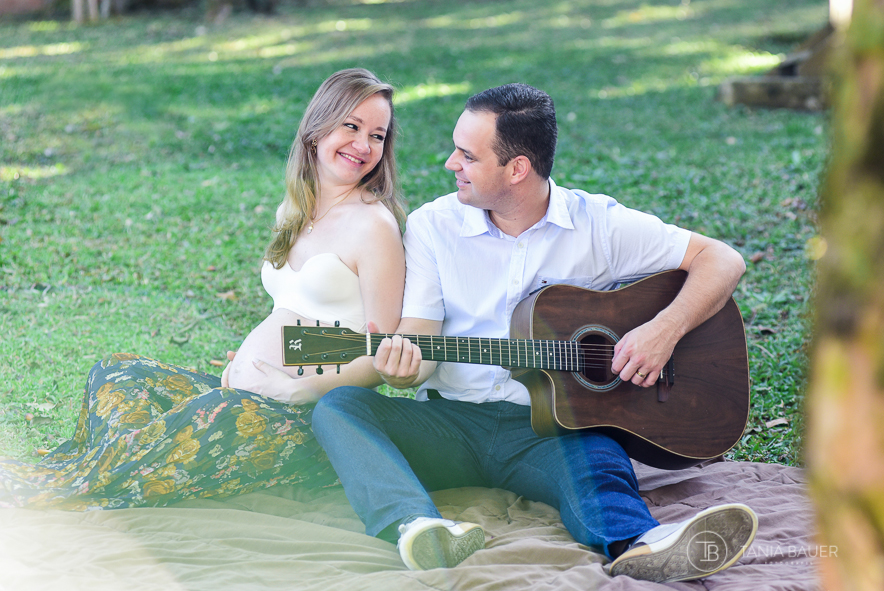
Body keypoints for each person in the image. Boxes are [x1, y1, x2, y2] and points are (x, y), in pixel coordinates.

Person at [310, 83, 759, 583]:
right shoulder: (434, 226)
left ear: (517, 169)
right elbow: (420, 333)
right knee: (342, 407)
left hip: (551, 430)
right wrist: (405, 365)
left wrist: (663, 330)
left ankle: (643, 544)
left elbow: (722, 259)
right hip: (451, 425)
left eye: (467, 155)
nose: (449, 164)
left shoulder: (598, 226)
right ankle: (415, 528)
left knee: (598, 461)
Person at [0, 68, 406, 510]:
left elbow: (381, 353)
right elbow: (291, 311)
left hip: (304, 421)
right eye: (351, 126)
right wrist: (250, 360)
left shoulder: (374, 226)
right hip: (242, 393)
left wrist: (304, 391)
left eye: (378, 135)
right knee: (117, 372)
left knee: (172, 435)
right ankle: (108, 466)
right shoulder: (296, 208)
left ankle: (51, 485)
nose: (363, 145)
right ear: (317, 129)